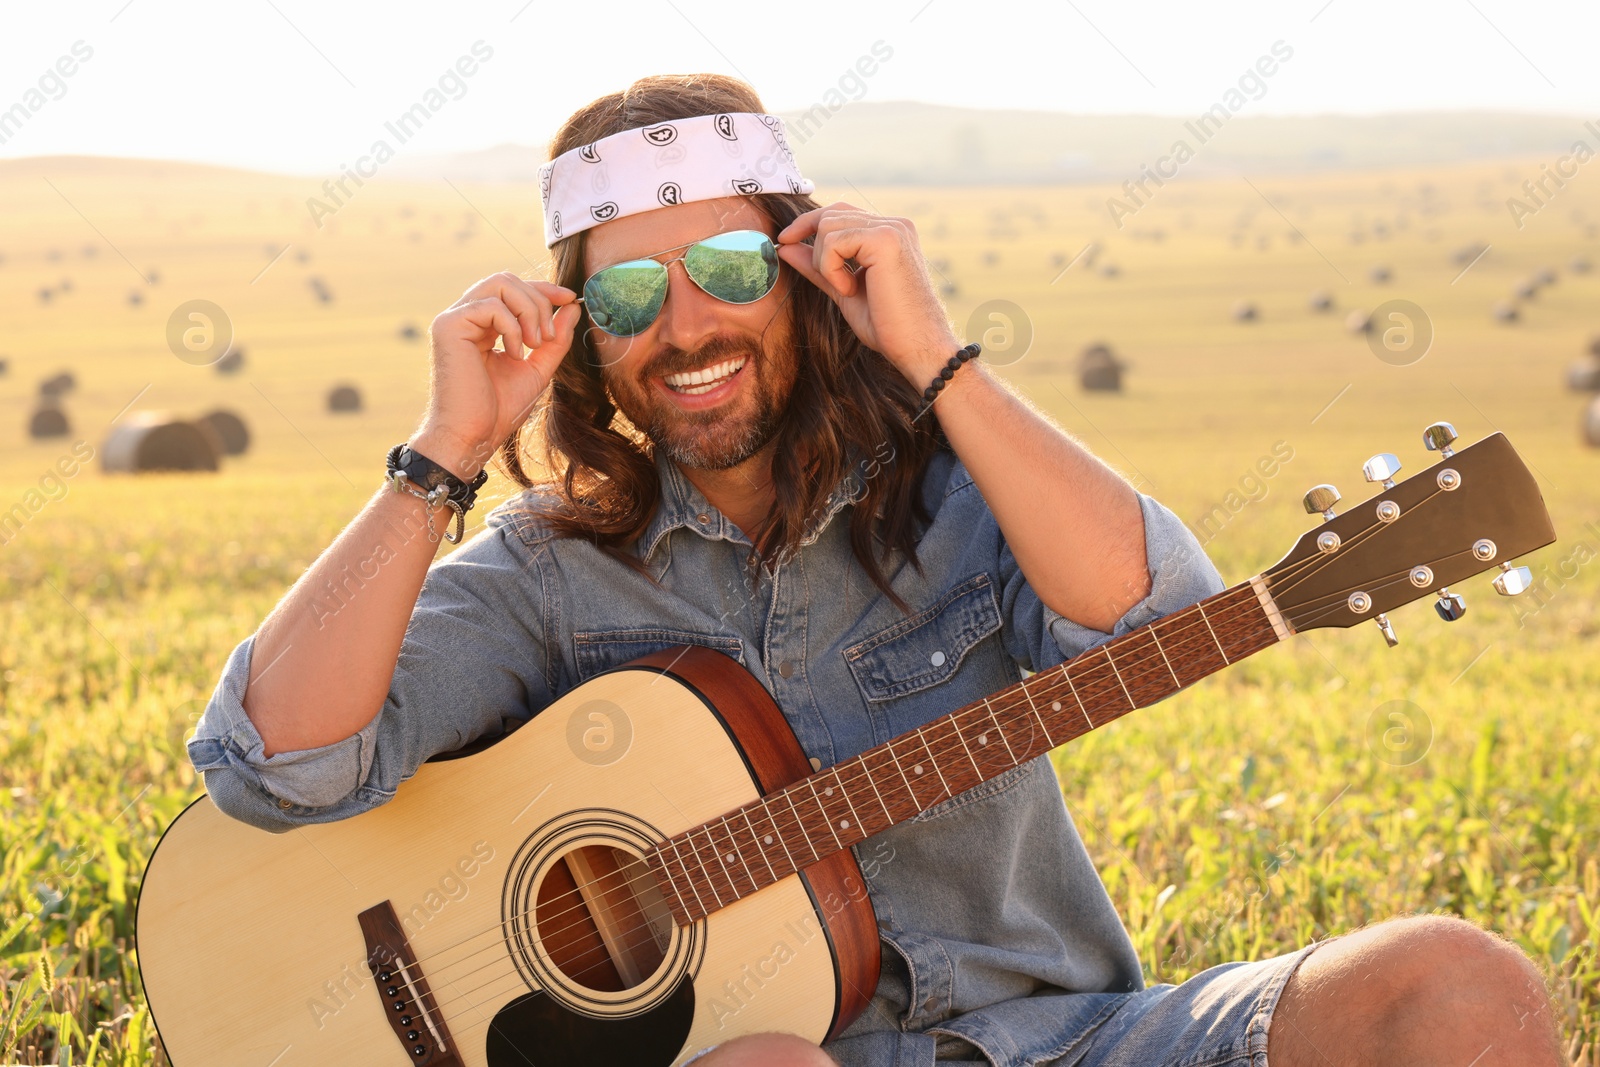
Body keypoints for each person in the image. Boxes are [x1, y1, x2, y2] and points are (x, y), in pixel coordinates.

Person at [188, 75, 1565, 1067]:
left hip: (1077, 1042)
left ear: (801, 269)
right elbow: (274, 762)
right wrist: (444, 451)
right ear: (582, 339)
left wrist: (938, 360)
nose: (684, 323)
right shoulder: (550, 575)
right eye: (623, 294)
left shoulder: (964, 495)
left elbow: (1163, 618)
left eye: (729, 264)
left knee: (1457, 988)